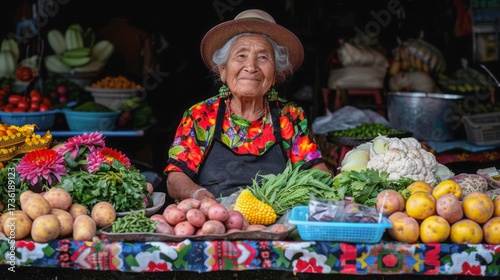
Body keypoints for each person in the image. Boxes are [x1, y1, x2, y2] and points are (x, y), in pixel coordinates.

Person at [164, 9, 329, 201]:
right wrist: (199, 195)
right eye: (241, 55)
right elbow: (175, 177)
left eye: (263, 57)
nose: (251, 67)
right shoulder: (201, 115)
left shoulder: (289, 115)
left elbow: (316, 171)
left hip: (276, 220)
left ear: (275, 75)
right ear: (223, 71)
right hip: (215, 219)